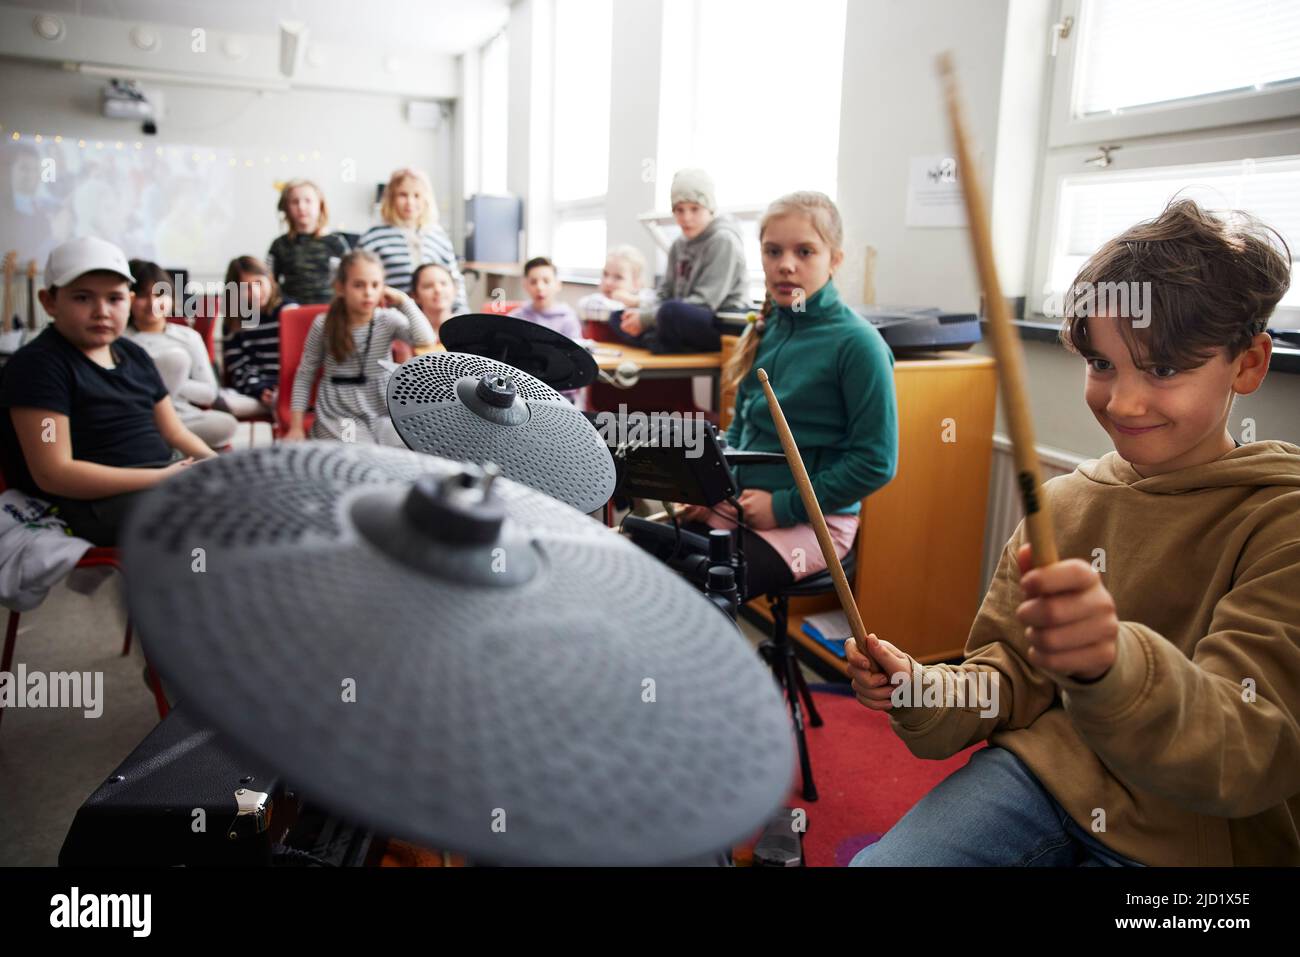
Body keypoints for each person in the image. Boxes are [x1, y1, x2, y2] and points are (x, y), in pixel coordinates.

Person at [847, 198, 1300, 867]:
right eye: (1102, 364)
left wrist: (1112, 663)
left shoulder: (1281, 521)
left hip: (1197, 834)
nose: (1121, 401)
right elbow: (1007, 675)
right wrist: (923, 688)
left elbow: (1249, 746)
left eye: (1163, 369)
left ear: (1248, 364)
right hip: (1045, 774)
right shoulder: (1061, 503)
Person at [675, 191, 898, 598]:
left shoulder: (859, 346)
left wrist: (784, 506)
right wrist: (714, 491)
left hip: (815, 520)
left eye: (805, 251)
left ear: (834, 259)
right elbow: (741, 428)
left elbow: (876, 463)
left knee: (698, 590)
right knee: (648, 558)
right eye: (773, 251)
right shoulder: (762, 329)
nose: (786, 265)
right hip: (743, 503)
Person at [0, 237, 215, 546]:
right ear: (49, 301)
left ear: (129, 301)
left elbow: (175, 432)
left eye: (114, 299)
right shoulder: (39, 368)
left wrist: (217, 465)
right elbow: (54, 472)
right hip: (92, 504)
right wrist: (161, 478)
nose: (101, 311)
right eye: (82, 298)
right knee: (209, 520)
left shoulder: (135, 355)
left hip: (158, 479)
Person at [286, 250, 434, 445]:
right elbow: (305, 374)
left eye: (375, 285)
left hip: (383, 410)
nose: (368, 293)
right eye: (358, 285)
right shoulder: (323, 324)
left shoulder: (388, 319)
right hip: (341, 413)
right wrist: (296, 426)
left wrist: (404, 302)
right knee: (357, 453)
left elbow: (425, 339)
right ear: (340, 287)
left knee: (409, 447)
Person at [619, 168, 749, 353]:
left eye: (695, 209)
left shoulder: (723, 240)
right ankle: (661, 341)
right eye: (679, 210)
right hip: (678, 319)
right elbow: (664, 293)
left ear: (709, 208)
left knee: (670, 312)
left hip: (718, 321)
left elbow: (705, 303)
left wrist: (647, 318)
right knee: (619, 316)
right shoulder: (677, 245)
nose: (686, 218)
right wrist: (642, 314)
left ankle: (658, 341)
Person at [124, 260, 237, 449]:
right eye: (143, 295)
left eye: (160, 294)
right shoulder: (120, 339)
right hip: (138, 417)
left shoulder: (188, 337)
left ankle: (165, 444)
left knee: (226, 424)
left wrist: (170, 380)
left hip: (182, 417)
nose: (152, 303)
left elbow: (209, 393)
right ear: (128, 298)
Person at [358, 168, 467, 314]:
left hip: (434, 320)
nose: (410, 202)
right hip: (392, 317)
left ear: (426, 199)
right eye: (403, 195)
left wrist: (461, 314)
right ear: (391, 198)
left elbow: (454, 279)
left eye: (417, 195)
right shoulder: (373, 237)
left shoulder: (438, 237)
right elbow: (359, 280)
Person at [217, 255, 291, 419]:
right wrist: (259, 390)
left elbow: (301, 365)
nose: (256, 293)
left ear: (270, 280)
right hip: (254, 394)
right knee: (221, 401)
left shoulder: (290, 312)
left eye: (259, 283)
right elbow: (238, 368)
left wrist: (280, 389)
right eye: (246, 288)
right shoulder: (234, 322)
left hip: (290, 392)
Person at [509, 257, 583, 405]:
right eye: (533, 282)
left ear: (558, 284)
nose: (540, 287)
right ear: (525, 285)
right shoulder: (515, 318)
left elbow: (576, 365)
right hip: (520, 393)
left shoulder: (568, 320)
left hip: (559, 396)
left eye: (546, 281)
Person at [266, 179, 350, 305]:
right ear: (286, 208)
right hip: (292, 310)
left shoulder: (336, 243)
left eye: (308, 201)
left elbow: (350, 278)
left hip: (328, 310)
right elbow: (269, 283)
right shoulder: (279, 245)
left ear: (320, 205)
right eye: (295, 202)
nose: (301, 207)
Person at [409, 261, 458, 340]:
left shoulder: (468, 327)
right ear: (415, 296)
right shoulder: (406, 333)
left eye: (443, 283)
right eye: (428, 286)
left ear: (455, 289)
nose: (438, 290)